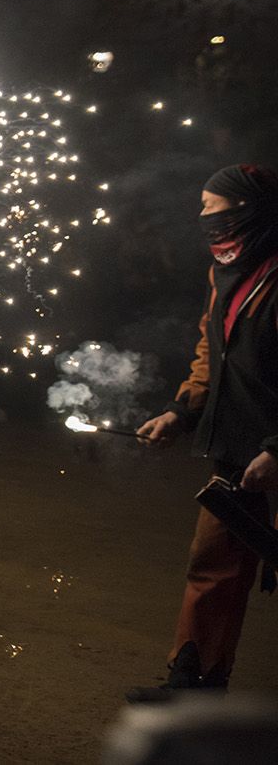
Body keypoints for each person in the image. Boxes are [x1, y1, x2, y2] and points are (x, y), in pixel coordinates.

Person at [130, 164, 278, 700]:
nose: (204, 219)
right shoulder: (226, 274)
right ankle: (193, 684)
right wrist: (181, 411)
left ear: (249, 212)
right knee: (213, 565)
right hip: (237, 452)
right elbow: (210, 354)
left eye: (213, 209)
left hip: (273, 452)